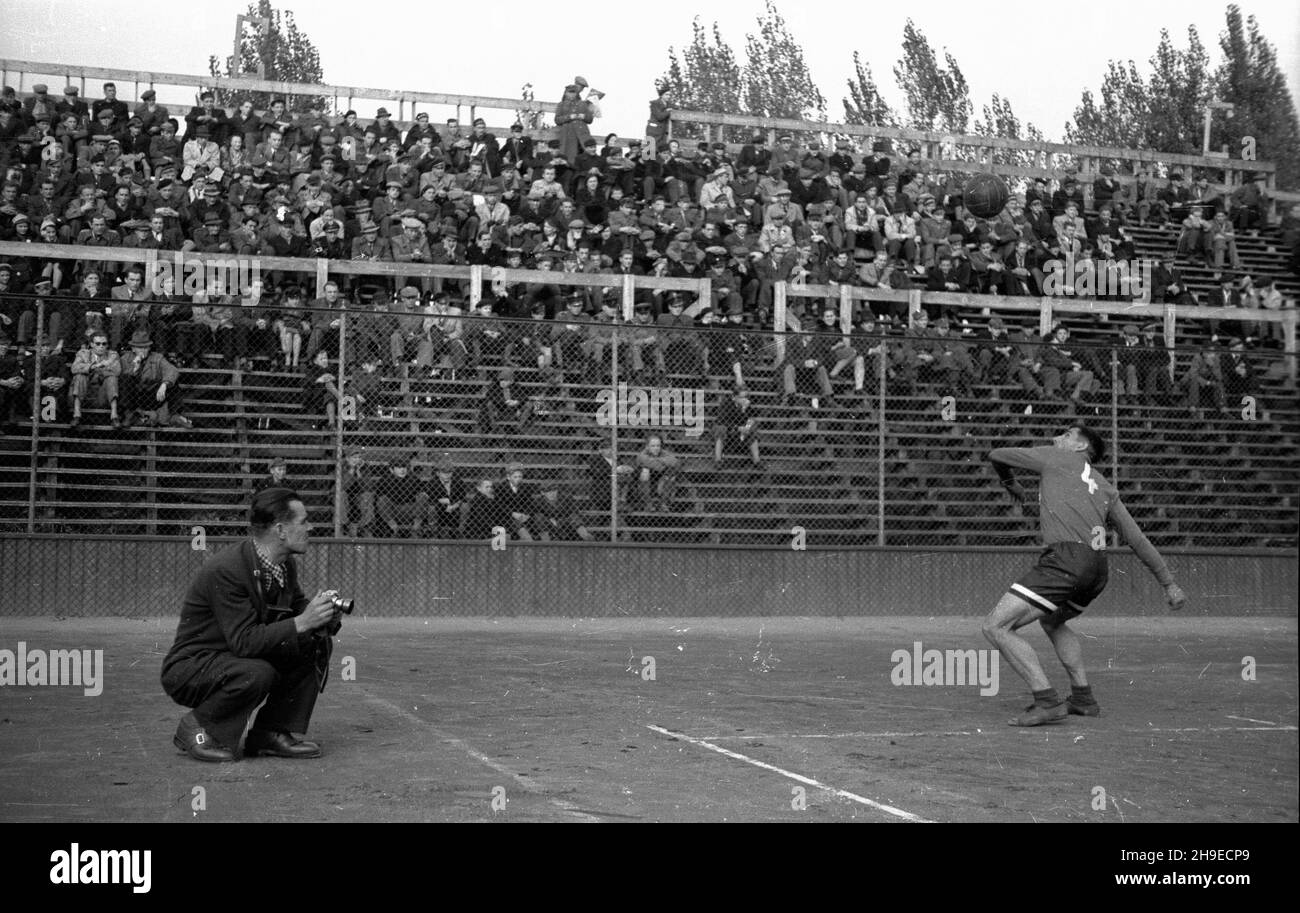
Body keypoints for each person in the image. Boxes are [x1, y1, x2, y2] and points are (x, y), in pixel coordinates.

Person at [982, 426, 1187, 726]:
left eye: (1066, 435)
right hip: (1097, 568)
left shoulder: (1057, 458)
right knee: (1053, 620)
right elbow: (1136, 538)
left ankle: (1047, 701)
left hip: (1066, 560)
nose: (1058, 438)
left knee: (996, 627)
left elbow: (996, 454)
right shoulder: (1104, 487)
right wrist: (1169, 583)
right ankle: (1083, 698)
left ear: (1080, 447)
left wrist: (1009, 482)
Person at [161, 487, 341, 761]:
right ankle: (196, 727)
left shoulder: (283, 564)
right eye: (303, 522)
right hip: (193, 666)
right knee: (258, 671)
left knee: (313, 642)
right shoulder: (229, 569)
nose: (311, 527)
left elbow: (295, 609)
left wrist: (322, 612)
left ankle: (270, 733)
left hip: (231, 658)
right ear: (280, 530)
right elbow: (244, 641)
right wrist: (304, 621)